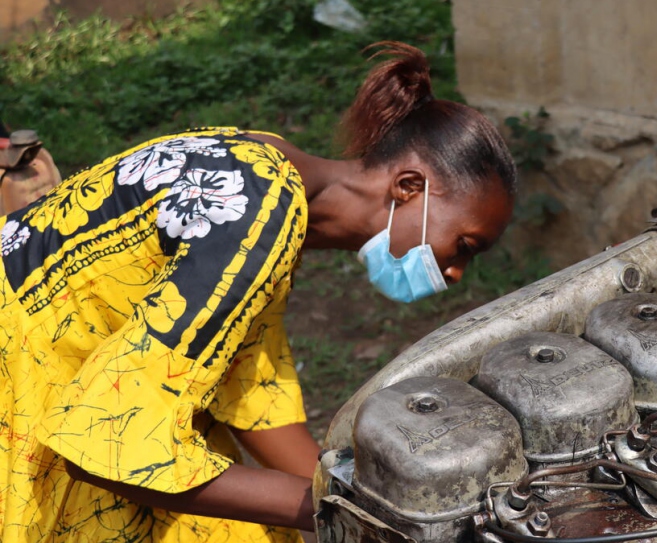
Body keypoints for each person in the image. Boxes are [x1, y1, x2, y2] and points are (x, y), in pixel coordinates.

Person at [0, 41, 517, 542]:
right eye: (464, 245)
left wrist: (353, 492)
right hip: (22, 373)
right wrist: (347, 514)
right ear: (409, 188)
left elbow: (248, 387)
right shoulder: (258, 211)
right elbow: (110, 449)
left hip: (70, 374)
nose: (456, 274)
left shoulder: (265, 167)